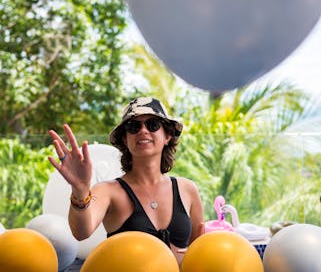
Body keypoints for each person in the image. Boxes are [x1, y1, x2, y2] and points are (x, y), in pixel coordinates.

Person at [48, 96, 204, 264]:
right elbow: (81, 232)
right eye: (133, 126)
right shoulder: (109, 191)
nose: (143, 131)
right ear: (125, 139)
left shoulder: (187, 189)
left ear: (167, 136)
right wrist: (80, 190)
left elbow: (198, 252)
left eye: (153, 124)